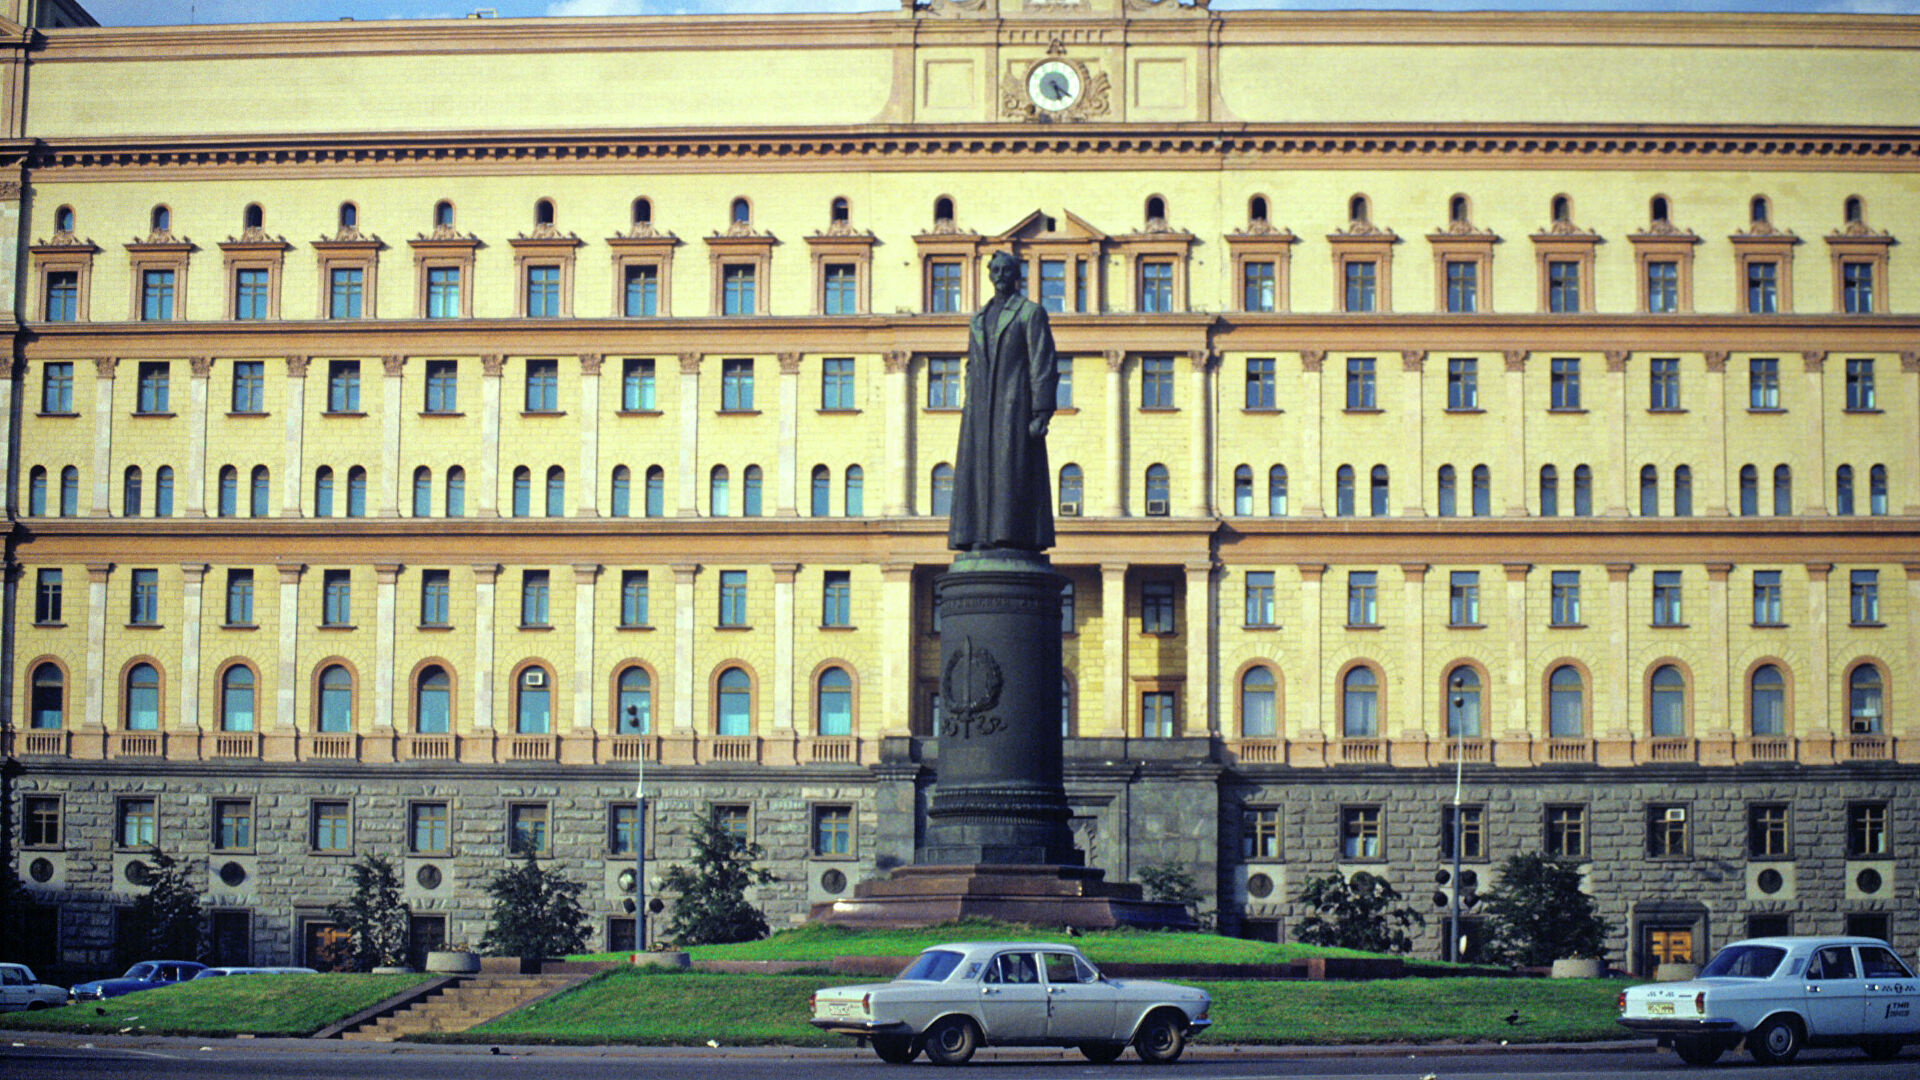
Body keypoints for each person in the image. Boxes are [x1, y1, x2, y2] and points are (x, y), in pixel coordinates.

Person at [948, 251, 1059, 552]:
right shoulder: (978, 319)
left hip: (1015, 406)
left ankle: (1009, 535)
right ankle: (980, 533)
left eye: (1006, 270)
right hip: (980, 410)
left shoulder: (1029, 313)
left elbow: (1042, 362)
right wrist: (970, 401)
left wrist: (1041, 413)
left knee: (1012, 470)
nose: (999, 275)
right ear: (989, 274)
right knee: (980, 471)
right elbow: (971, 365)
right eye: (994, 270)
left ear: (1016, 275)